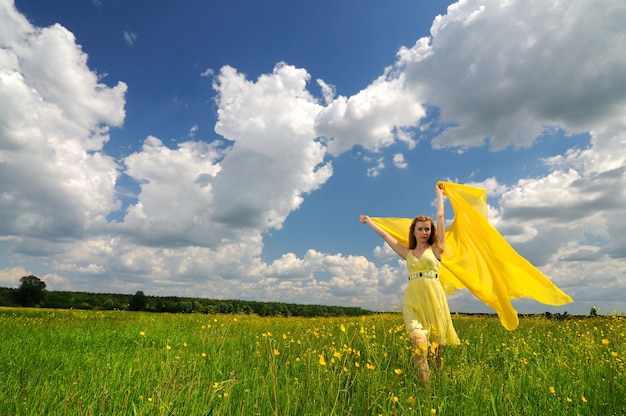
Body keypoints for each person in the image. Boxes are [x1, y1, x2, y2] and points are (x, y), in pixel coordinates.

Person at [359, 183, 460, 382]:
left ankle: (438, 383)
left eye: (427, 229)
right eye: (420, 229)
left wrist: (439, 194)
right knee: (419, 344)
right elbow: (386, 236)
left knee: (437, 349)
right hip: (413, 300)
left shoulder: (437, 249)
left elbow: (440, 217)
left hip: (434, 298)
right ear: (413, 231)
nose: (424, 232)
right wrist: (369, 221)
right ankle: (426, 391)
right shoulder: (408, 253)